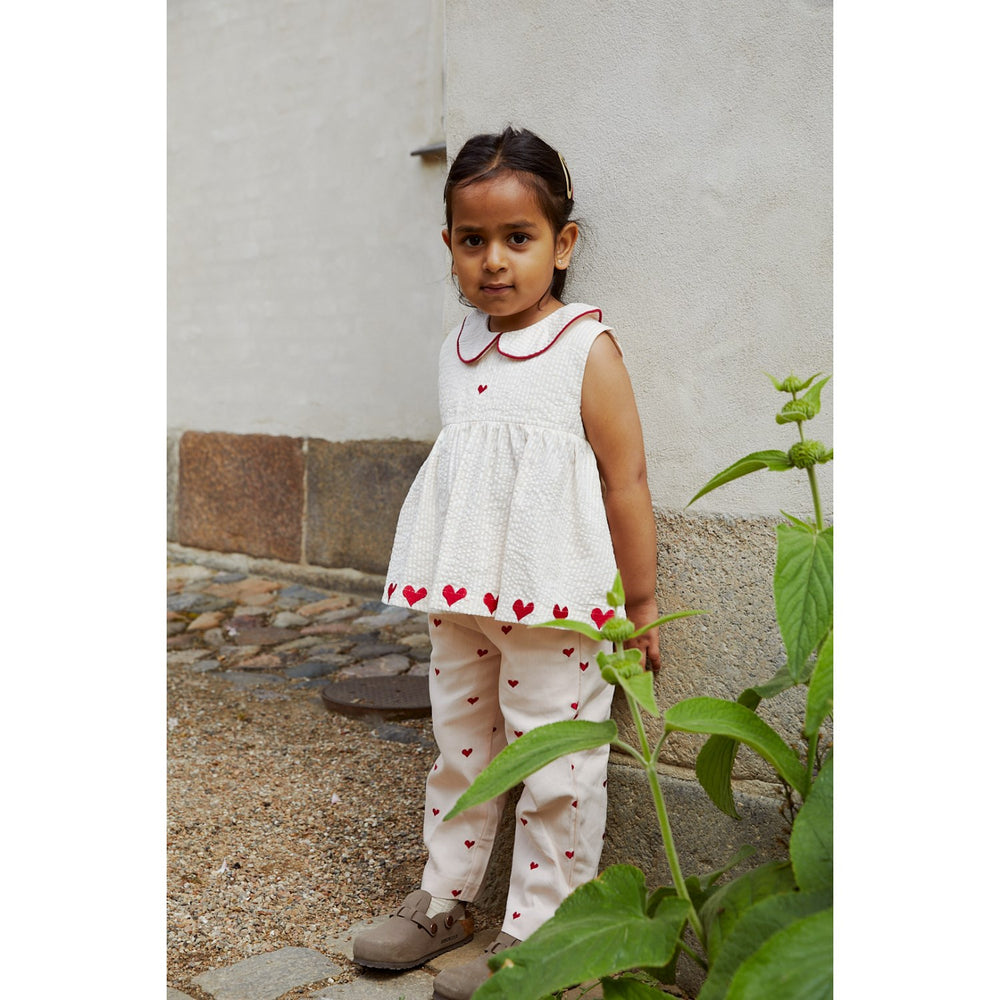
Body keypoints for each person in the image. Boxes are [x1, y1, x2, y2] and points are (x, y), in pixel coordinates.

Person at [352, 126, 660, 1000]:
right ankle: (445, 899)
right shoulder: (457, 349)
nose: (493, 260)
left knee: (556, 762)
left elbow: (626, 479)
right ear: (449, 245)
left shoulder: (584, 347)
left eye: (517, 238)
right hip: (464, 594)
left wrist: (641, 603)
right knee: (461, 743)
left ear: (562, 245)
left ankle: (544, 935)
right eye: (473, 239)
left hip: (554, 600)